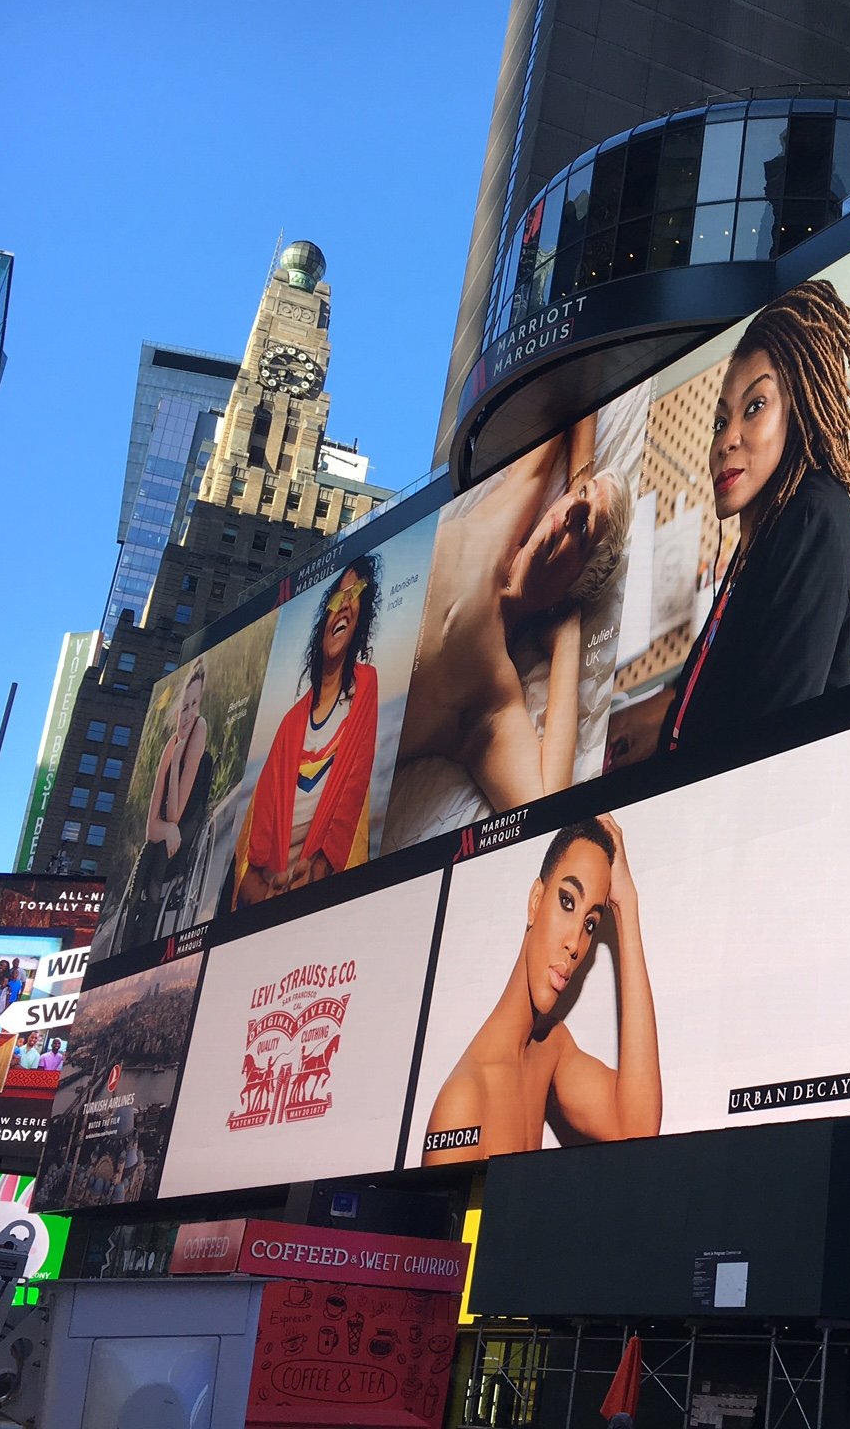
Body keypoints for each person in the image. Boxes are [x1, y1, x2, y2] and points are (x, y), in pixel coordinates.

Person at [660, 282, 850, 752]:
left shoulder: (811, 514)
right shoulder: (764, 525)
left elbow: (768, 742)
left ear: (799, 406)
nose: (725, 440)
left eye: (755, 407)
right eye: (720, 421)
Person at [397, 413, 631, 819]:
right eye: (581, 495)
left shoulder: (491, 694)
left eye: (585, 526)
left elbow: (544, 810)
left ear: (575, 583)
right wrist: (583, 474)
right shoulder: (509, 509)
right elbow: (568, 378)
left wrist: (567, 641)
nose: (573, 508)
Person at [423, 817, 660, 1165]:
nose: (575, 943)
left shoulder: (550, 1048)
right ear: (536, 901)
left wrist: (626, 907)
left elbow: (637, 1127)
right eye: (567, 902)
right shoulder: (464, 1102)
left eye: (590, 923)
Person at [231, 556, 385, 911]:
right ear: (323, 623)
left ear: (362, 617)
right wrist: (267, 894)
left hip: (317, 891)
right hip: (272, 889)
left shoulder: (366, 686)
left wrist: (317, 875)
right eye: (336, 597)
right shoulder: (290, 724)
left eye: (356, 592)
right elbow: (257, 839)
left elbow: (353, 793)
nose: (345, 603)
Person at [124, 660, 213, 946]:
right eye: (184, 707)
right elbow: (152, 827)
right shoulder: (170, 744)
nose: (187, 715)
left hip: (188, 825)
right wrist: (168, 829)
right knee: (150, 855)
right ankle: (130, 939)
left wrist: (176, 763)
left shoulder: (199, 730)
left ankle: (144, 941)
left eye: (194, 705)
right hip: (165, 835)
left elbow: (175, 813)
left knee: (158, 856)